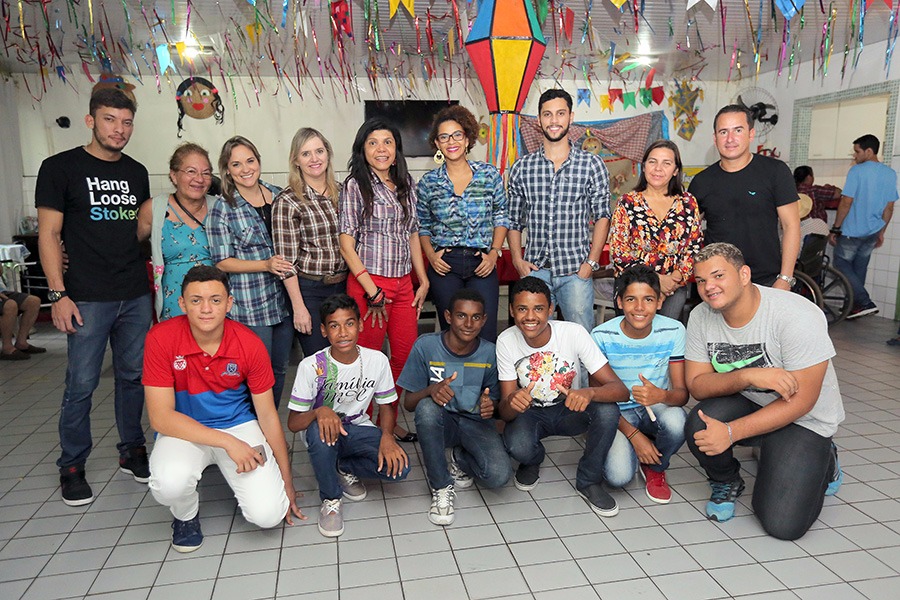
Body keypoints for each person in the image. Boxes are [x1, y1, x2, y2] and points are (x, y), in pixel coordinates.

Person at [36, 88, 153, 506]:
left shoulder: (137, 172)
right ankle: (72, 465)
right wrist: (58, 293)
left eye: (126, 122)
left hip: (134, 294)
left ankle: (132, 449)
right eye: (109, 119)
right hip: (85, 296)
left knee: (133, 378)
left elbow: (140, 228)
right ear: (90, 121)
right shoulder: (59, 168)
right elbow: (48, 234)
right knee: (82, 384)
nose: (119, 129)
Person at [684, 243, 845, 541]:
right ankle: (726, 480)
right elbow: (697, 384)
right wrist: (747, 375)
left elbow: (803, 401)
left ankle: (826, 459)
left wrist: (731, 432)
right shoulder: (701, 316)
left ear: (744, 275)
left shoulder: (796, 314)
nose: (709, 287)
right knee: (700, 423)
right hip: (751, 401)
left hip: (803, 418)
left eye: (718, 276)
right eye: (701, 280)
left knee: (782, 525)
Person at [143, 266, 304, 553]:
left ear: (229, 303)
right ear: (182, 304)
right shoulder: (161, 338)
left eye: (215, 300)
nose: (206, 309)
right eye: (196, 300)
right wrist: (228, 443)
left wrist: (286, 481)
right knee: (168, 485)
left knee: (269, 515)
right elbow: (160, 418)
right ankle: (185, 516)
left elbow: (267, 416)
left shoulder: (249, 343)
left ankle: (248, 482)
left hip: (237, 424)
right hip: (184, 429)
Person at [498, 277, 627, 516]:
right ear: (512, 310)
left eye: (538, 308)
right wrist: (513, 402)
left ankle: (589, 480)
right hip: (531, 414)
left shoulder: (573, 333)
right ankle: (533, 459)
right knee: (518, 446)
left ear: (551, 309)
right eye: (522, 309)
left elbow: (620, 390)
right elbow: (505, 412)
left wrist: (589, 392)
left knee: (608, 411)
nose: (530, 317)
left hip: (569, 409)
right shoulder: (506, 340)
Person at [287, 294, 410, 538]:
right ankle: (331, 499)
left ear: (360, 325)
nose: (343, 333)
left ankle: (341, 466)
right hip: (322, 433)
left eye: (349, 323)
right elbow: (293, 423)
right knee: (319, 430)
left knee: (400, 468)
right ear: (324, 331)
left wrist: (387, 436)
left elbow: (386, 406)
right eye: (334, 326)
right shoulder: (311, 366)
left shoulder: (377, 360)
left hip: (358, 428)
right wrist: (319, 411)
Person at [339, 119, 429, 442]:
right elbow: (346, 244)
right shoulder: (355, 185)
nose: (381, 149)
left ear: (396, 149)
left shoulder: (406, 183)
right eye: (373, 142)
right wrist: (372, 291)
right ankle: (359, 426)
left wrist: (422, 280)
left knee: (404, 357)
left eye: (387, 142)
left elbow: (413, 233)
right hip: (369, 284)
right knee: (366, 360)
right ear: (362, 149)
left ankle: (384, 422)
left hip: (403, 284)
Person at [398, 288, 511, 526]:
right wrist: (431, 390)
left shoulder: (490, 353)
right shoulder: (426, 346)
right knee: (426, 407)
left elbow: (497, 406)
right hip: (441, 423)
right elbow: (408, 404)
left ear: (484, 320)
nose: (468, 324)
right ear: (448, 316)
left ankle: (459, 457)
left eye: (476, 317)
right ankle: (441, 486)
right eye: (461, 316)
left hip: (475, 423)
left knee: (498, 476)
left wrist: (491, 407)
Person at [506, 89, 611, 332]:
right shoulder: (522, 167)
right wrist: (517, 260)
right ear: (539, 120)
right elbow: (513, 219)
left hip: (576, 272)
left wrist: (591, 263)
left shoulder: (591, 164)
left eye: (560, 113)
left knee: (581, 338)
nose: (554, 120)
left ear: (571, 117)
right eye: (547, 114)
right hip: (535, 270)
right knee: (535, 338)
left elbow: (602, 216)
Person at [590, 265, 688, 504]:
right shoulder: (601, 336)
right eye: (631, 299)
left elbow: (682, 395)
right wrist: (634, 435)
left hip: (655, 407)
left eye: (648, 299)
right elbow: (598, 399)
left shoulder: (674, 330)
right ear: (619, 302)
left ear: (660, 302)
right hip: (616, 413)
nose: (640, 308)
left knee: (678, 421)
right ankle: (635, 443)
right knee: (618, 477)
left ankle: (655, 466)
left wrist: (661, 395)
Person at [208, 136, 293, 407]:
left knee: (279, 369)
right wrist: (265, 265)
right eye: (236, 164)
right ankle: (252, 426)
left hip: (285, 301)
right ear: (227, 170)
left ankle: (269, 424)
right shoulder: (223, 207)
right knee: (256, 373)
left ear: (258, 161)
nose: (245, 169)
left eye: (250, 161)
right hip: (251, 306)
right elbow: (222, 261)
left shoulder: (278, 195)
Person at [416, 105, 509, 342]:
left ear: (467, 139)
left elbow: (501, 215)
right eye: (444, 137)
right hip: (445, 265)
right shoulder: (428, 182)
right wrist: (431, 256)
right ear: (437, 144)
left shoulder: (488, 175)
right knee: (453, 334)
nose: (451, 141)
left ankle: (485, 370)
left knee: (485, 333)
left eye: (457, 134)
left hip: (482, 262)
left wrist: (494, 253)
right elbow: (422, 225)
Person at [688, 104, 800, 290]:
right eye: (723, 132)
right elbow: (688, 234)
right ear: (715, 138)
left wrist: (785, 278)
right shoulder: (701, 181)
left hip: (766, 281)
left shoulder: (775, 172)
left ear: (751, 134)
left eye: (738, 130)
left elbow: (791, 226)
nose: (730, 139)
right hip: (716, 283)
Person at [273, 128, 348, 357]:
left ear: (328, 153)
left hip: (344, 286)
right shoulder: (288, 201)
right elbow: (286, 263)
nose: (314, 159)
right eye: (306, 154)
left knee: (344, 356)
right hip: (310, 291)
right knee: (320, 361)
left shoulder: (343, 192)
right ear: (296, 160)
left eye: (319, 151)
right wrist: (299, 307)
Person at [609, 140, 702, 321]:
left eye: (666, 163)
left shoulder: (687, 202)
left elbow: (694, 247)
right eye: (653, 162)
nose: (658, 168)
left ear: (675, 170)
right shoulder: (627, 202)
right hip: (634, 288)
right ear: (644, 167)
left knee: (667, 335)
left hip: (673, 288)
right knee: (634, 336)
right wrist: (657, 279)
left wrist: (674, 279)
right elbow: (619, 251)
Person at [138, 143, 216, 320]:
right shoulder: (154, 209)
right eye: (191, 171)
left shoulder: (220, 207)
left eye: (206, 173)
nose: (199, 179)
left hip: (215, 301)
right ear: (174, 175)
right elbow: (131, 246)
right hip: (174, 301)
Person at [828, 134, 897, 319]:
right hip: (872, 231)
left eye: (857, 152)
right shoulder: (890, 173)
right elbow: (889, 207)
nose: (855, 155)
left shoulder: (857, 171)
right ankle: (854, 307)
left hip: (852, 231)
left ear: (869, 151)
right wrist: (881, 232)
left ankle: (865, 302)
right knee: (859, 269)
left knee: (841, 264)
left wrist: (836, 228)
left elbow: (846, 202)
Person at [0, 278, 45, 360]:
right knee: (10, 305)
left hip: (2, 291)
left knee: (33, 301)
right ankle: (7, 347)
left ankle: (21, 342)